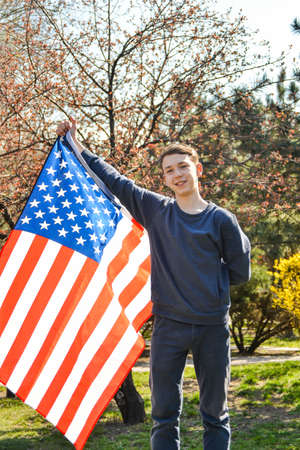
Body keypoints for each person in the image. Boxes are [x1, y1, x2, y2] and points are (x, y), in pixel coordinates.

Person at [56, 118, 251, 450]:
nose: (177, 174)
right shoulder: (158, 211)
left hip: (212, 328)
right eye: (169, 171)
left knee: (215, 414)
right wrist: (77, 145)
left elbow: (240, 272)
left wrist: (208, 285)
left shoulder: (221, 220)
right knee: (164, 415)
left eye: (182, 167)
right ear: (165, 179)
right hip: (169, 327)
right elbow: (115, 180)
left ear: (198, 170)